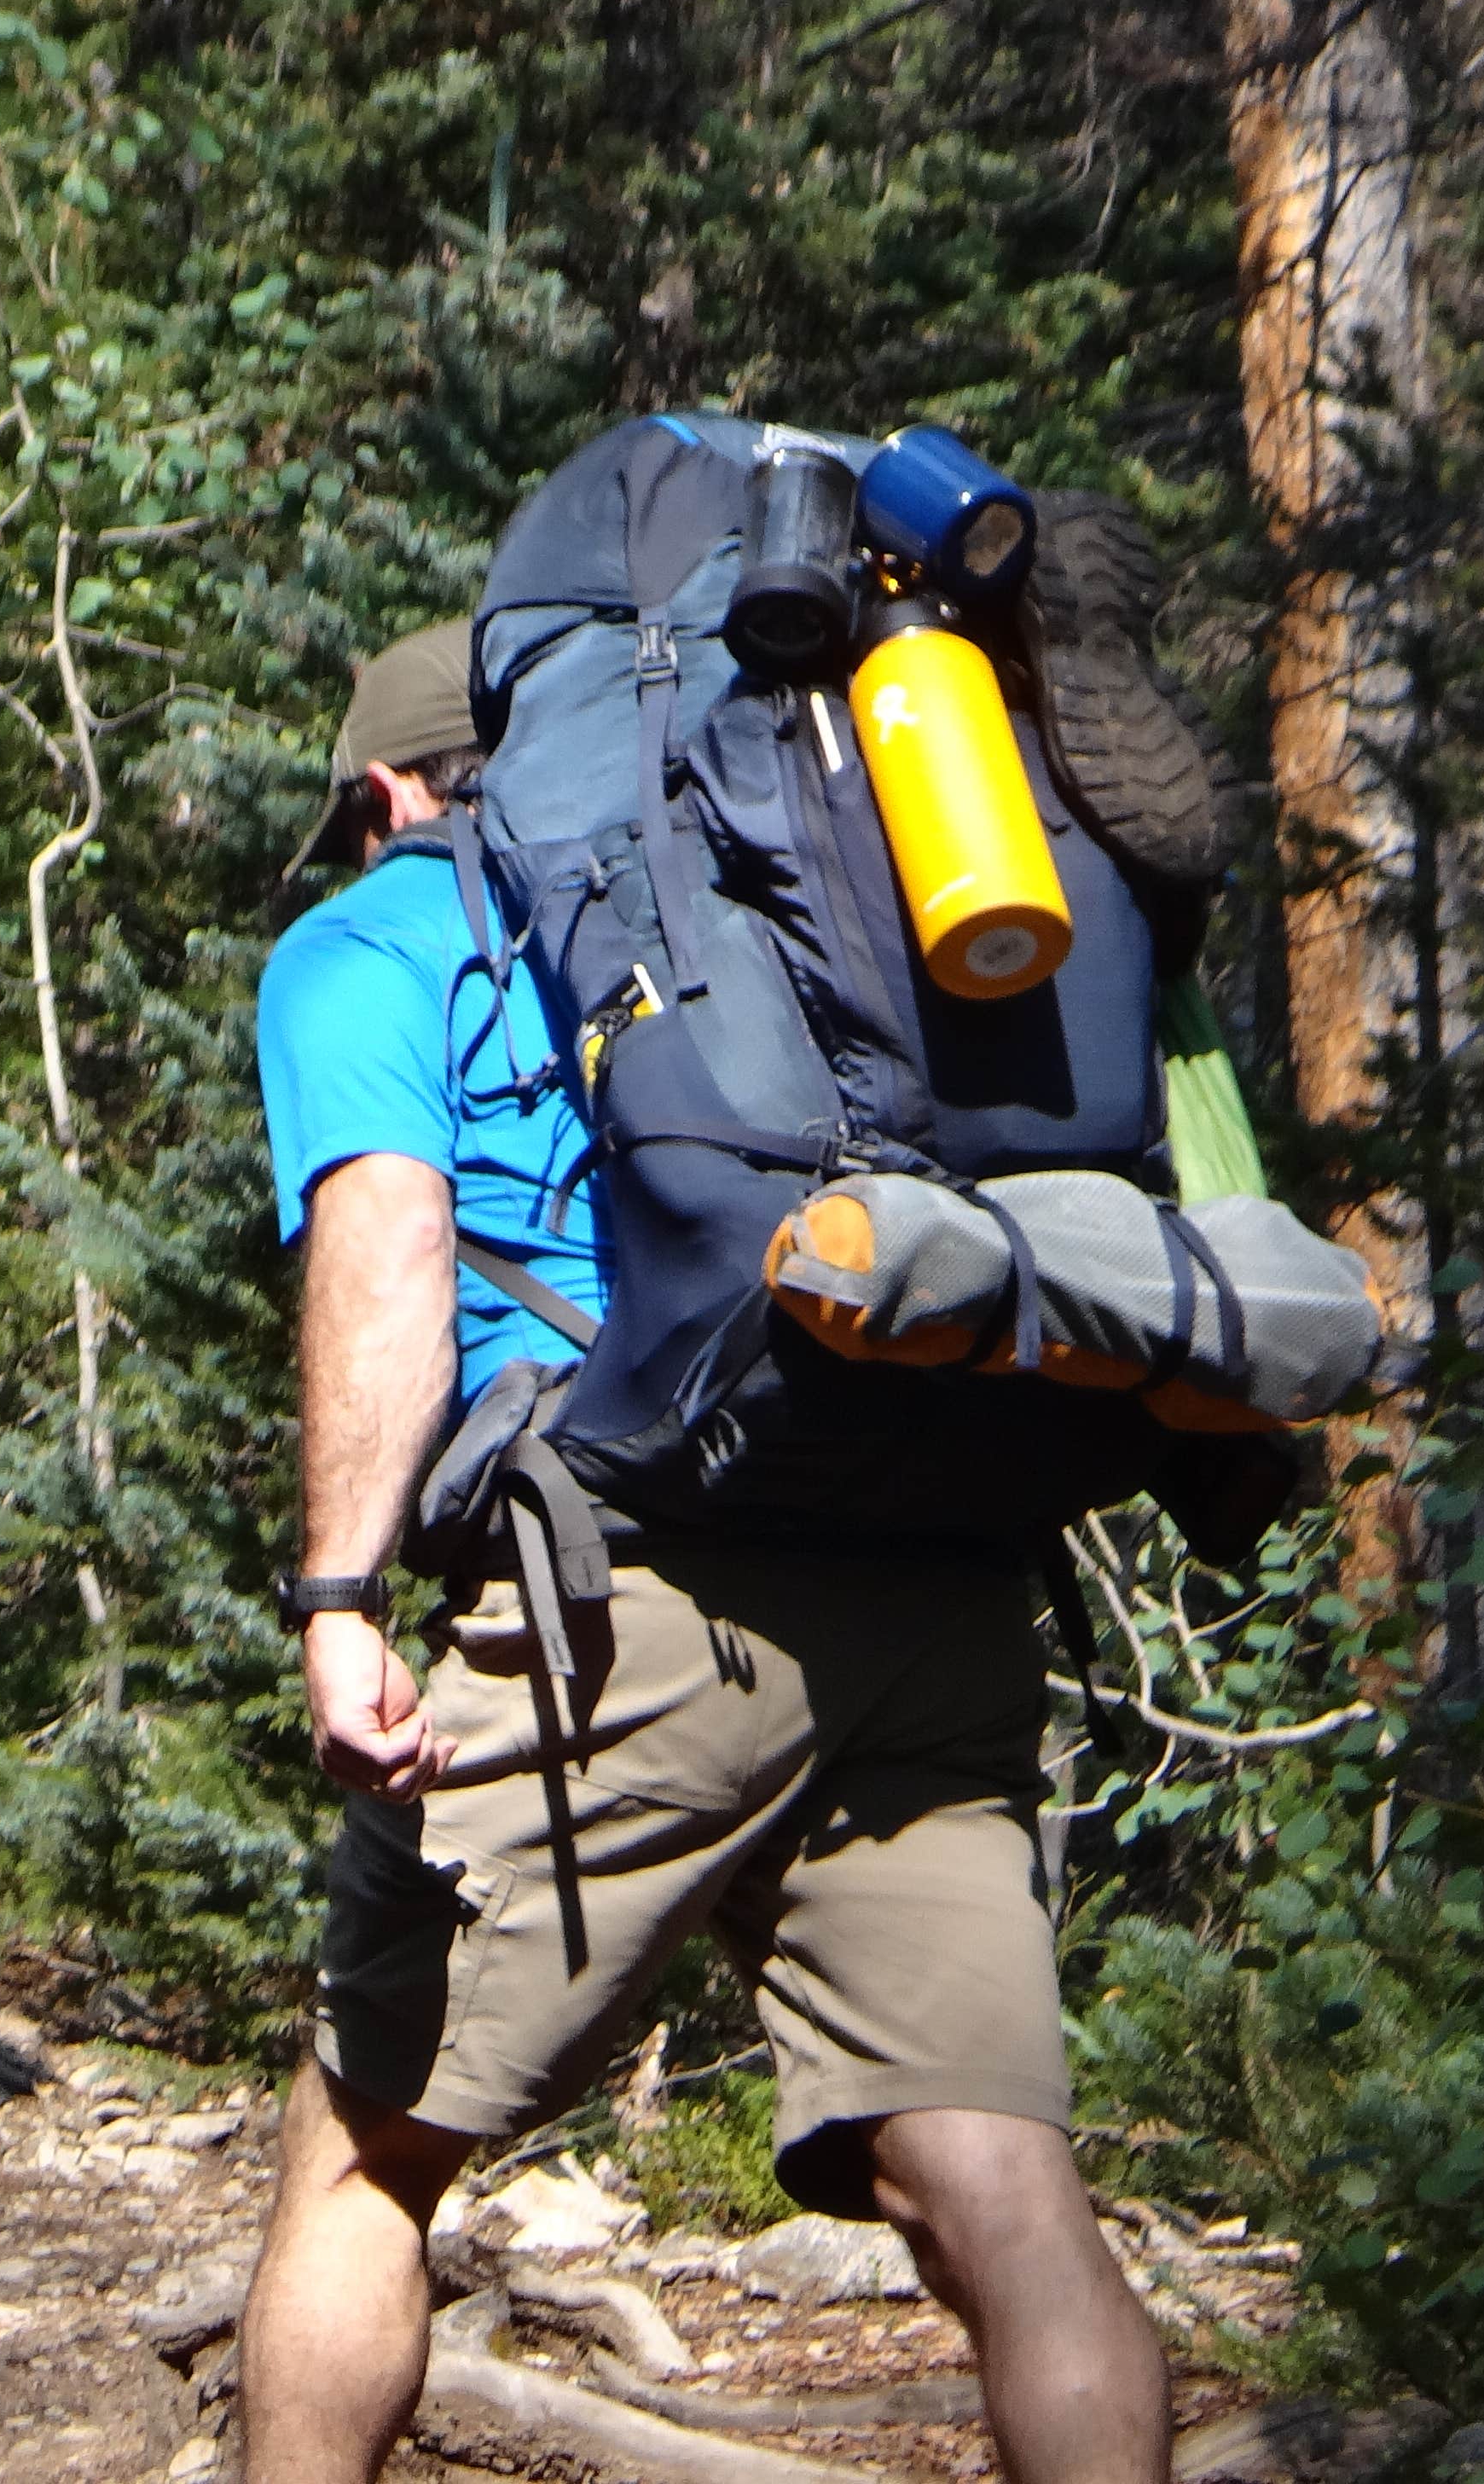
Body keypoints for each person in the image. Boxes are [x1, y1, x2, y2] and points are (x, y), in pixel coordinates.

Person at [235, 618, 1171, 2484]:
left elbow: (392, 1253)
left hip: (631, 1591)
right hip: (929, 1554)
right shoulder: (809, 896)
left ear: (393, 791)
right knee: (996, 2179)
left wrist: (340, 1597)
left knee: (362, 2157)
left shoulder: (372, 939)